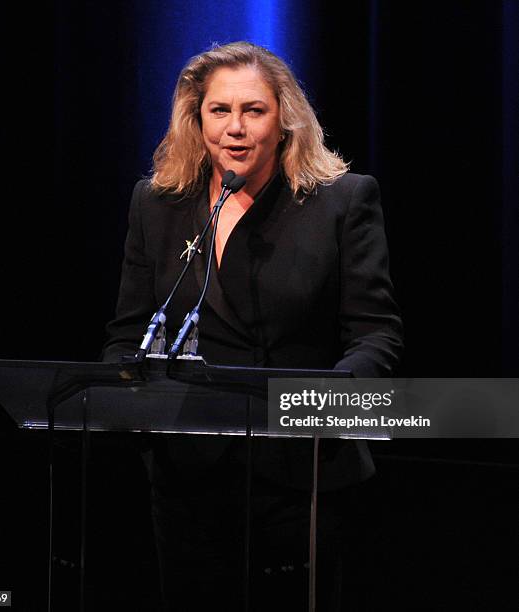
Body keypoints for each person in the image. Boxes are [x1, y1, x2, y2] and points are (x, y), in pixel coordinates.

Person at [101, 41, 403, 611]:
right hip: (187, 471)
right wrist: (121, 402)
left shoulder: (341, 202)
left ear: (283, 119)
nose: (235, 129)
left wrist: (324, 406)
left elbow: (375, 333)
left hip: (300, 470)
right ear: (196, 119)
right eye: (219, 111)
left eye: (253, 111)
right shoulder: (157, 203)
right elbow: (129, 329)